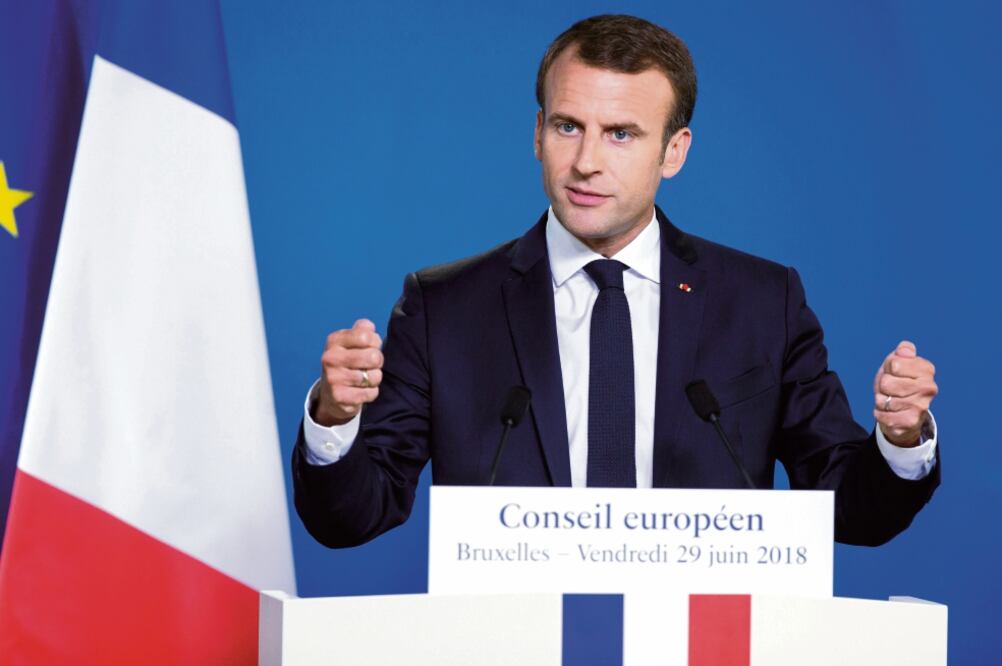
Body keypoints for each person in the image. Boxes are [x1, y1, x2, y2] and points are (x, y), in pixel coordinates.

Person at [292, 15, 939, 549]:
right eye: (567, 126)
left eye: (621, 134)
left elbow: (850, 513)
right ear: (537, 134)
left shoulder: (763, 303)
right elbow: (352, 519)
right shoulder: (445, 308)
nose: (586, 161)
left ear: (674, 151)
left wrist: (901, 440)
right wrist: (334, 418)